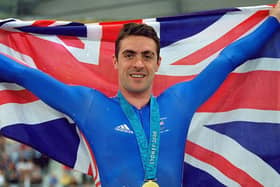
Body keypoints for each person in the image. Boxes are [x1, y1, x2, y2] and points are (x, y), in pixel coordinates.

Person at [0, 2, 280, 187]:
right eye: (129, 55)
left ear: (158, 63)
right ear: (116, 61)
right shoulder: (90, 105)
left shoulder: (179, 101)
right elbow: (23, 75)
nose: (138, 63)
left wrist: (273, 21)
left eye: (147, 56)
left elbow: (228, 59)